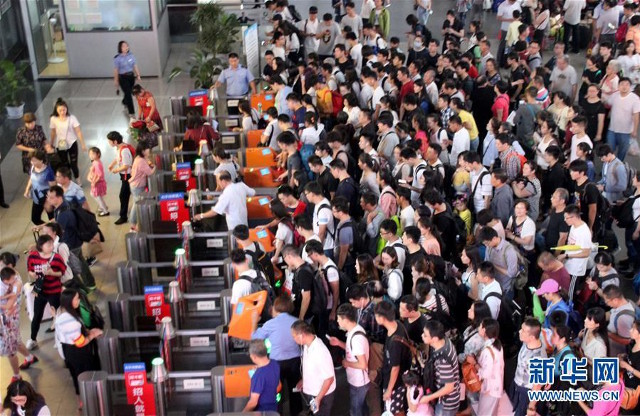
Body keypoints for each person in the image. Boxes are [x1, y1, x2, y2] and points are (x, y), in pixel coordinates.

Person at [252, 294, 302, 415]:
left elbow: (254, 338)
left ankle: (277, 412)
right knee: (294, 390)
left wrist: (254, 321)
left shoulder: (270, 324)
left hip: (276, 363)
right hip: (295, 361)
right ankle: (296, 412)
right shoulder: (297, 321)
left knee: (276, 391)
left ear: (276, 307)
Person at [55, 288, 102, 410]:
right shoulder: (69, 320)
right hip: (77, 353)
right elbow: (80, 342)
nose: (79, 300)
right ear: (70, 301)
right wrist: (92, 335)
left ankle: (81, 401)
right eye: (77, 298)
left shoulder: (63, 312)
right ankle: (88, 401)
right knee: (84, 374)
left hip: (69, 351)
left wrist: (88, 331)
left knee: (77, 375)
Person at [46, 185, 97, 291]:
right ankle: (90, 283)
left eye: (51, 197)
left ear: (59, 197)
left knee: (70, 269)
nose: (48, 199)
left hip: (70, 244)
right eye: (48, 196)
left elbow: (59, 231)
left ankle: (82, 289)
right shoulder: (64, 206)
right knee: (81, 262)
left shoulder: (64, 214)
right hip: (75, 241)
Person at [328, 303, 370, 416]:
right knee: (362, 408)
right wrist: (338, 343)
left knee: (355, 411)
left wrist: (346, 362)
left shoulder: (356, 338)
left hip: (359, 382)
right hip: (357, 380)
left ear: (345, 319)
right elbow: (353, 349)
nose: (337, 321)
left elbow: (362, 364)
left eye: (338, 318)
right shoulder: (355, 330)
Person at [26, 235, 66, 351]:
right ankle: (33, 339)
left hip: (54, 291)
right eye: (48, 245)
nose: (51, 246)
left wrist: (52, 273)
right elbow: (30, 269)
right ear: (41, 246)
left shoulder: (57, 258)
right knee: (37, 315)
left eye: (52, 244)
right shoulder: (33, 256)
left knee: (58, 316)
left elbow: (61, 272)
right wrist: (32, 274)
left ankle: (62, 340)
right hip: (40, 291)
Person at [291, 320, 336, 415]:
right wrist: (304, 380)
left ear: (301, 335)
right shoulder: (307, 345)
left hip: (322, 395)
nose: (293, 339)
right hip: (314, 393)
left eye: (294, 336)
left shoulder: (320, 351)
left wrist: (318, 399)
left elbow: (329, 379)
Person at [0, 266, 38, 381]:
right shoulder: (13, 277)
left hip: (8, 321)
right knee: (16, 340)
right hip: (8, 320)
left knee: (10, 350)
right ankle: (29, 356)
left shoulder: (16, 282)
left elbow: (9, 305)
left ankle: (16, 375)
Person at [374, 300, 412, 414]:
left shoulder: (395, 342)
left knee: (394, 411)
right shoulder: (397, 325)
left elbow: (395, 368)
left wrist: (389, 390)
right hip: (395, 378)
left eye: (376, 316)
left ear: (382, 318)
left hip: (395, 383)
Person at [419, 320, 461, 415]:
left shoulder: (443, 359)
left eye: (425, 335)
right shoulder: (445, 341)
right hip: (450, 398)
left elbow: (449, 388)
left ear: (434, 339)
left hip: (446, 403)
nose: (422, 335)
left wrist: (428, 397)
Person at [508, 318, 545, 416]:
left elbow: (537, 386)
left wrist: (531, 406)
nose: (520, 331)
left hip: (527, 392)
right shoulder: (527, 342)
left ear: (532, 337)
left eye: (523, 330)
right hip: (518, 383)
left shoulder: (538, 358)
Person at [49, 98, 87, 182]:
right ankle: (68, 179)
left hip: (72, 142)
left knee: (74, 163)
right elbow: (53, 132)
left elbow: (78, 131)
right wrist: (51, 143)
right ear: (56, 110)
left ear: (67, 109)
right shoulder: (53, 119)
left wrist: (83, 144)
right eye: (60, 110)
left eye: (64, 110)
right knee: (64, 163)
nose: (62, 112)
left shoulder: (72, 118)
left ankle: (78, 179)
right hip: (60, 144)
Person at [607, 77, 640, 162]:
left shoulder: (635, 99)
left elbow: (636, 115)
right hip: (612, 129)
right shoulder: (614, 95)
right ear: (618, 86)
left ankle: (617, 166)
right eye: (622, 84)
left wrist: (635, 130)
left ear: (630, 86)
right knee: (610, 150)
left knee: (622, 151)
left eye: (627, 85)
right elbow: (607, 103)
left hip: (626, 131)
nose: (624, 87)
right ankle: (608, 166)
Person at [243, 339, 280, 412]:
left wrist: (242, 414)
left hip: (262, 410)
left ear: (254, 356)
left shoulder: (259, 376)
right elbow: (278, 384)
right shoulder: (275, 364)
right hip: (273, 407)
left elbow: (253, 403)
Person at [106, 131, 134, 225]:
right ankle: (124, 215)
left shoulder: (124, 150)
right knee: (124, 195)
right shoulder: (119, 147)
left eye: (110, 141)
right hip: (124, 176)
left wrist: (116, 170)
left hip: (127, 176)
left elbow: (127, 165)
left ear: (115, 141)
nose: (109, 143)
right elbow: (117, 158)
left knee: (123, 196)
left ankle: (123, 217)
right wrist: (112, 164)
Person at [23, 150, 56, 226]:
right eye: (31, 160)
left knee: (52, 219)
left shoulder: (48, 171)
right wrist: (27, 190)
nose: (32, 162)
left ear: (41, 160)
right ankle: (48, 228)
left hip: (48, 199)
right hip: (37, 198)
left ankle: (55, 232)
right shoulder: (33, 168)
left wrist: (48, 202)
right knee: (35, 219)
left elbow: (53, 187)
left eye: (34, 160)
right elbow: (31, 178)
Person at [128, 143, 156, 231]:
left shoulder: (139, 158)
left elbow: (146, 161)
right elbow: (150, 172)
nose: (149, 151)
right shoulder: (140, 161)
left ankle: (133, 223)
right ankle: (133, 224)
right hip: (137, 186)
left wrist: (149, 162)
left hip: (135, 185)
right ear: (143, 151)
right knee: (137, 204)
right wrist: (155, 166)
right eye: (148, 149)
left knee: (136, 203)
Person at [604, 285, 636, 356]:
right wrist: (598, 317)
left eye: (607, 301)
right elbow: (612, 313)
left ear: (615, 300)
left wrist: (607, 333)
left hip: (617, 350)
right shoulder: (627, 302)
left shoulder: (624, 318)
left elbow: (626, 340)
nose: (607, 304)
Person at [113, 40, 141, 116]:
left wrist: (138, 75)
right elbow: (116, 70)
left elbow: (135, 65)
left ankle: (125, 102)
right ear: (120, 48)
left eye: (127, 46)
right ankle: (131, 112)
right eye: (124, 46)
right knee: (128, 94)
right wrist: (116, 80)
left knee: (128, 92)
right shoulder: (117, 58)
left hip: (131, 77)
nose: (126, 47)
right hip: (123, 77)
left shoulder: (131, 56)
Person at [87, 147, 109, 217]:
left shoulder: (97, 163)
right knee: (97, 196)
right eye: (90, 154)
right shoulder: (96, 162)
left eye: (93, 154)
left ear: (98, 154)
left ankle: (105, 210)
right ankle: (103, 206)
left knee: (96, 196)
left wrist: (94, 182)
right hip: (97, 182)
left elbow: (100, 175)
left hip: (98, 183)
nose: (91, 155)